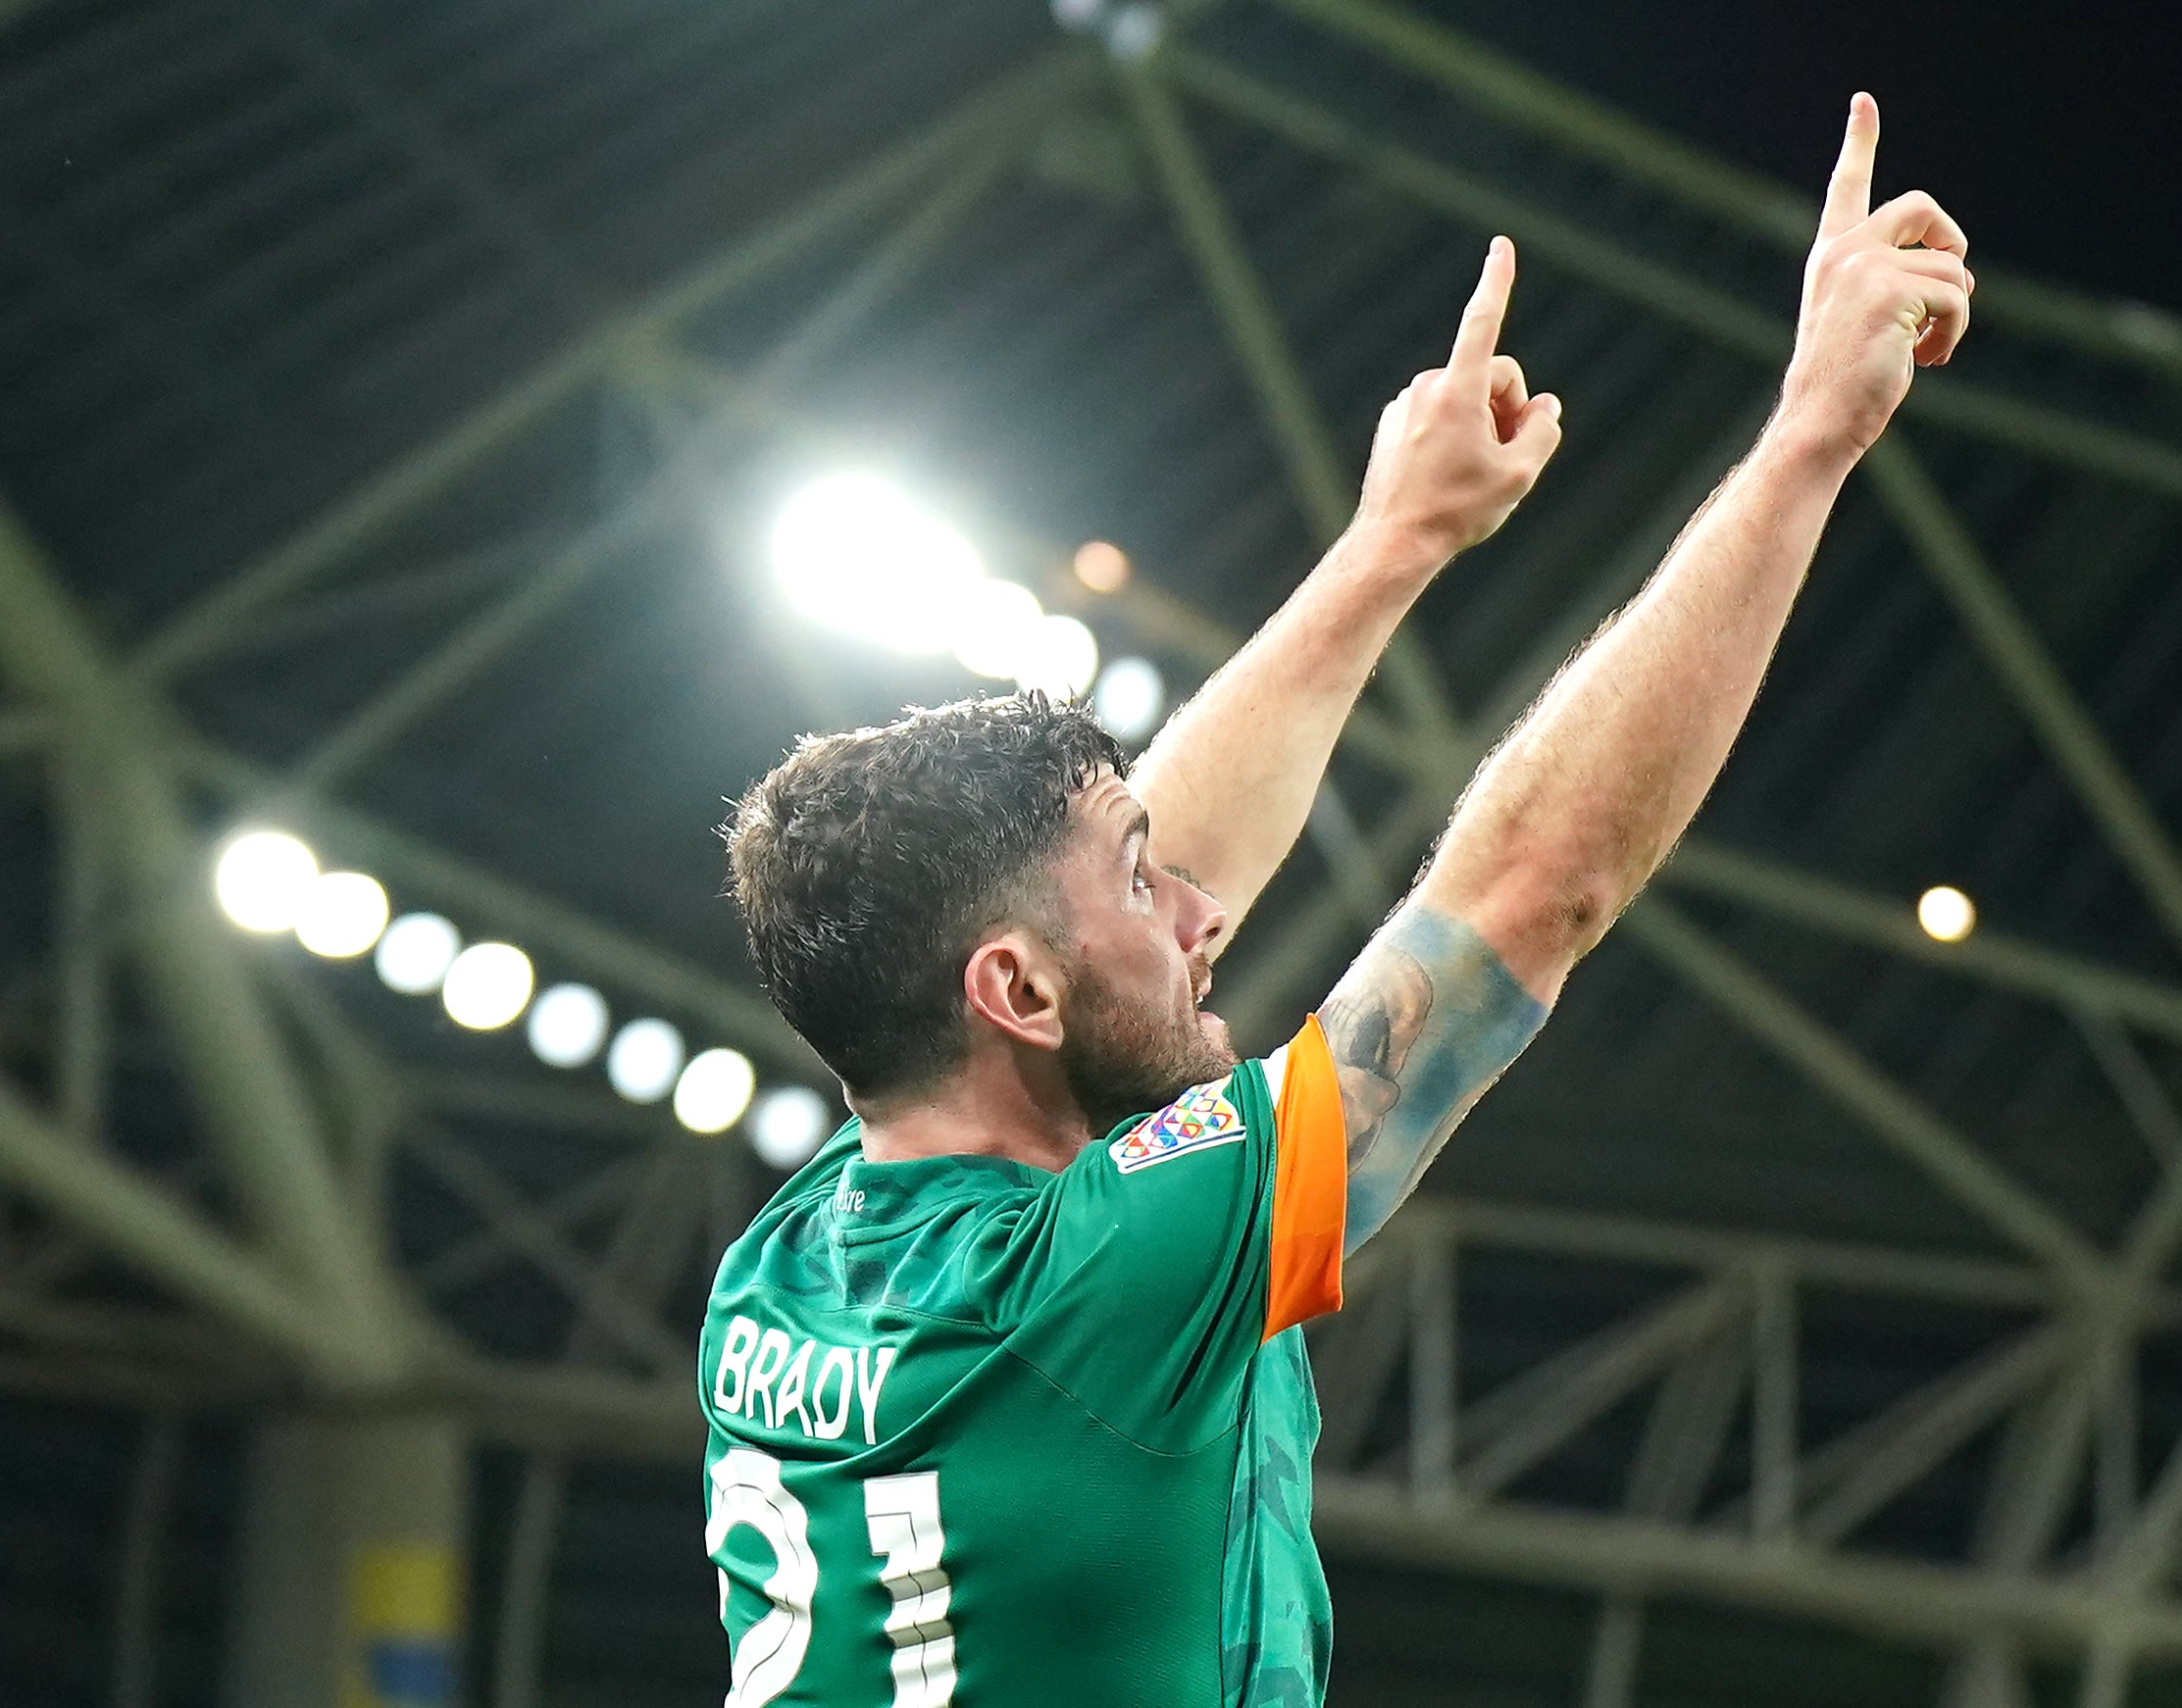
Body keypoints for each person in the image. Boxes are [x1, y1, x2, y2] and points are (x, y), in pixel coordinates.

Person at [701, 92, 1967, 1708]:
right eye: (1140, 884)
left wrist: (1395, 545)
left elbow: (1150, 887)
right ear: (1011, 992)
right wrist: (1809, 439)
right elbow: (1535, 885)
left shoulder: (798, 1257)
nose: (1194, 910)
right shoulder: (1102, 1273)